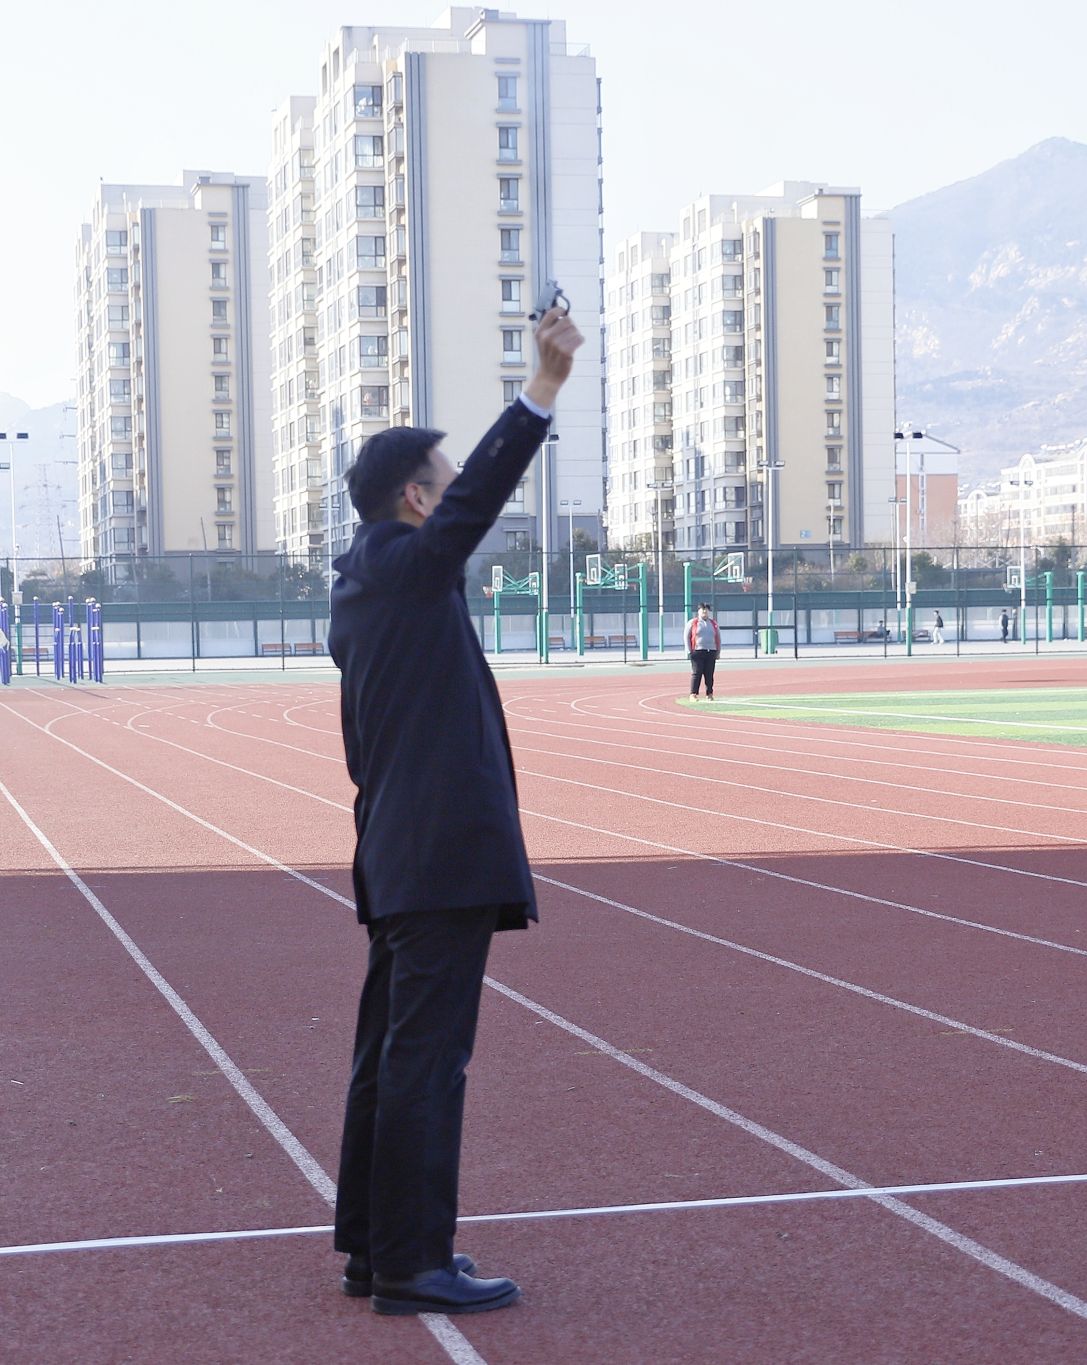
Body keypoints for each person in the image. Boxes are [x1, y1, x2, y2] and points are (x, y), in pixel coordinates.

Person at [327, 304, 582, 1314]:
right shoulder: (401, 566)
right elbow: (473, 505)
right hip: (436, 858)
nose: (451, 500)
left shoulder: (367, 586)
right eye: (440, 484)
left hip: (402, 855)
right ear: (415, 499)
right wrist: (539, 393)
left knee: (388, 1058)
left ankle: (374, 1247)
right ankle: (412, 1263)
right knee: (426, 1063)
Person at [687, 603, 720, 700]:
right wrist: (689, 651)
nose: (705, 611)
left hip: (711, 652)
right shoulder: (693, 623)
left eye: (706, 610)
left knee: (709, 674)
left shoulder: (713, 623)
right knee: (697, 673)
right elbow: (686, 637)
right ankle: (693, 694)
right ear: (698, 611)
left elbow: (718, 638)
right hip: (697, 652)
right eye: (702, 609)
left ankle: (709, 694)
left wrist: (718, 652)